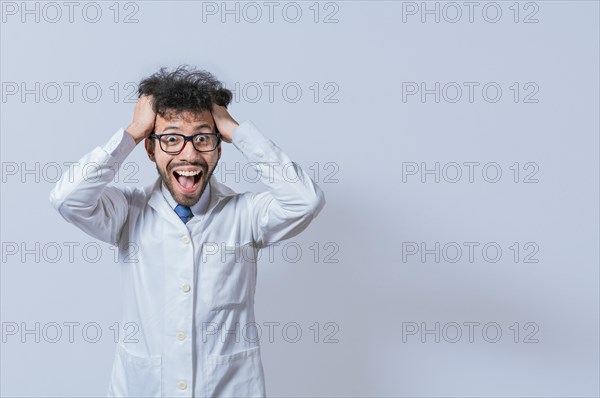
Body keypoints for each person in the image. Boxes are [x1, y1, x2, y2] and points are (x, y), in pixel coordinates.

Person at [49, 65, 326, 397]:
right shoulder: (127, 212)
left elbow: (305, 200)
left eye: (203, 138)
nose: (189, 153)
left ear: (219, 147)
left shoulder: (246, 214)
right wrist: (134, 131)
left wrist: (237, 130)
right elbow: (67, 198)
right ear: (151, 150)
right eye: (171, 139)